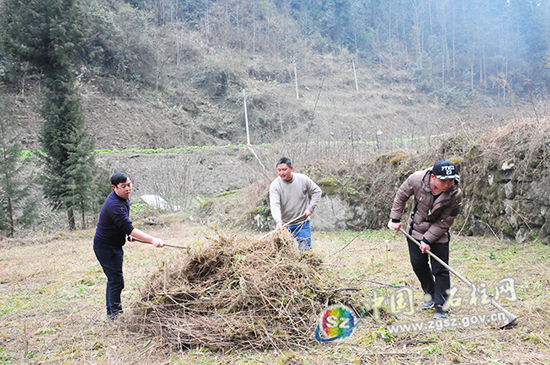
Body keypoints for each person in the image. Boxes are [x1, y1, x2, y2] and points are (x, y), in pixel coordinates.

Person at [388, 160, 462, 319]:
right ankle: (430, 293)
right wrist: (395, 218)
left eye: (451, 180)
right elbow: (401, 195)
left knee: (440, 269)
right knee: (418, 265)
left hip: (439, 234)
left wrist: (427, 240)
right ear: (433, 177)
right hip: (415, 230)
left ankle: (441, 305)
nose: (447, 184)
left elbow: (445, 222)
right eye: (443, 180)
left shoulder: (455, 194)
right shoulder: (416, 180)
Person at [93, 171, 166, 319]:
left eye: (129, 185)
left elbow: (123, 225)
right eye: (123, 186)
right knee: (116, 281)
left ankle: (113, 313)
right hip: (105, 247)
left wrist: (127, 235)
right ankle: (114, 315)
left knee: (115, 280)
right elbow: (129, 227)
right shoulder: (114, 205)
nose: (128, 189)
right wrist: (152, 240)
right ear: (114, 187)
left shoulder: (123, 198)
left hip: (115, 245)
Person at [269, 157, 322, 252]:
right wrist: (278, 221)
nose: (282, 173)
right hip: (285, 225)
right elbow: (275, 204)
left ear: (291, 168)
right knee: (285, 254)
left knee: (305, 252)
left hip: (302, 223)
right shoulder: (275, 185)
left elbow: (317, 191)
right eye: (279, 170)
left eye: (284, 169)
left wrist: (310, 208)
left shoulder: (303, 179)